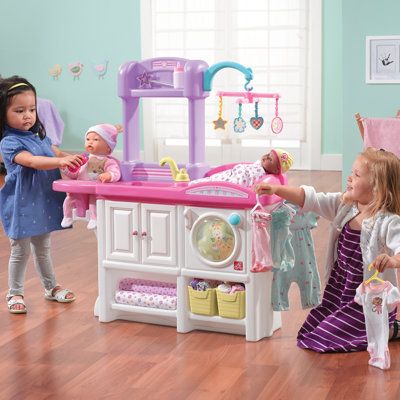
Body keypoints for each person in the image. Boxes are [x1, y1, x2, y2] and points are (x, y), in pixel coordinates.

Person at [254, 147, 400, 351]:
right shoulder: (346, 206)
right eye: (351, 172)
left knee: (323, 338)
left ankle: (389, 327)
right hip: (340, 291)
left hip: (368, 300)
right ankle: (377, 327)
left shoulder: (388, 221)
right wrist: (278, 190)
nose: (349, 178)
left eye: (356, 175)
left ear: (377, 188)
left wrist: (393, 260)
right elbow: (311, 198)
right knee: (309, 331)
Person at [0, 76, 84, 314]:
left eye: (32, 109)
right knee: (20, 250)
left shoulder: (39, 137)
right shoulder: (9, 142)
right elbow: (32, 161)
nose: (27, 115)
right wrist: (59, 160)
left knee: (43, 248)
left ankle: (51, 287)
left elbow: (54, 151)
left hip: (40, 202)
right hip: (21, 204)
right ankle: (14, 292)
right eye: (19, 110)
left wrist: (75, 159)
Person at [60, 123, 122, 230]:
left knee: (94, 201)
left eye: (96, 140)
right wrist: (66, 169)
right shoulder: (84, 159)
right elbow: (76, 174)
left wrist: (109, 175)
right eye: (88, 139)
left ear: (108, 147)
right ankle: (67, 216)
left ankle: (94, 218)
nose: (90, 142)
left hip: (94, 190)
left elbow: (116, 173)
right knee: (69, 199)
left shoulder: (108, 161)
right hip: (80, 189)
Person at [190, 148, 294, 187]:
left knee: (210, 184)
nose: (266, 157)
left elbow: (249, 183)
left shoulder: (263, 176)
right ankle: (192, 184)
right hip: (230, 174)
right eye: (267, 154)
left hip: (233, 181)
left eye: (270, 159)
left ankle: (193, 186)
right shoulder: (258, 165)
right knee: (211, 179)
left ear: (275, 170)